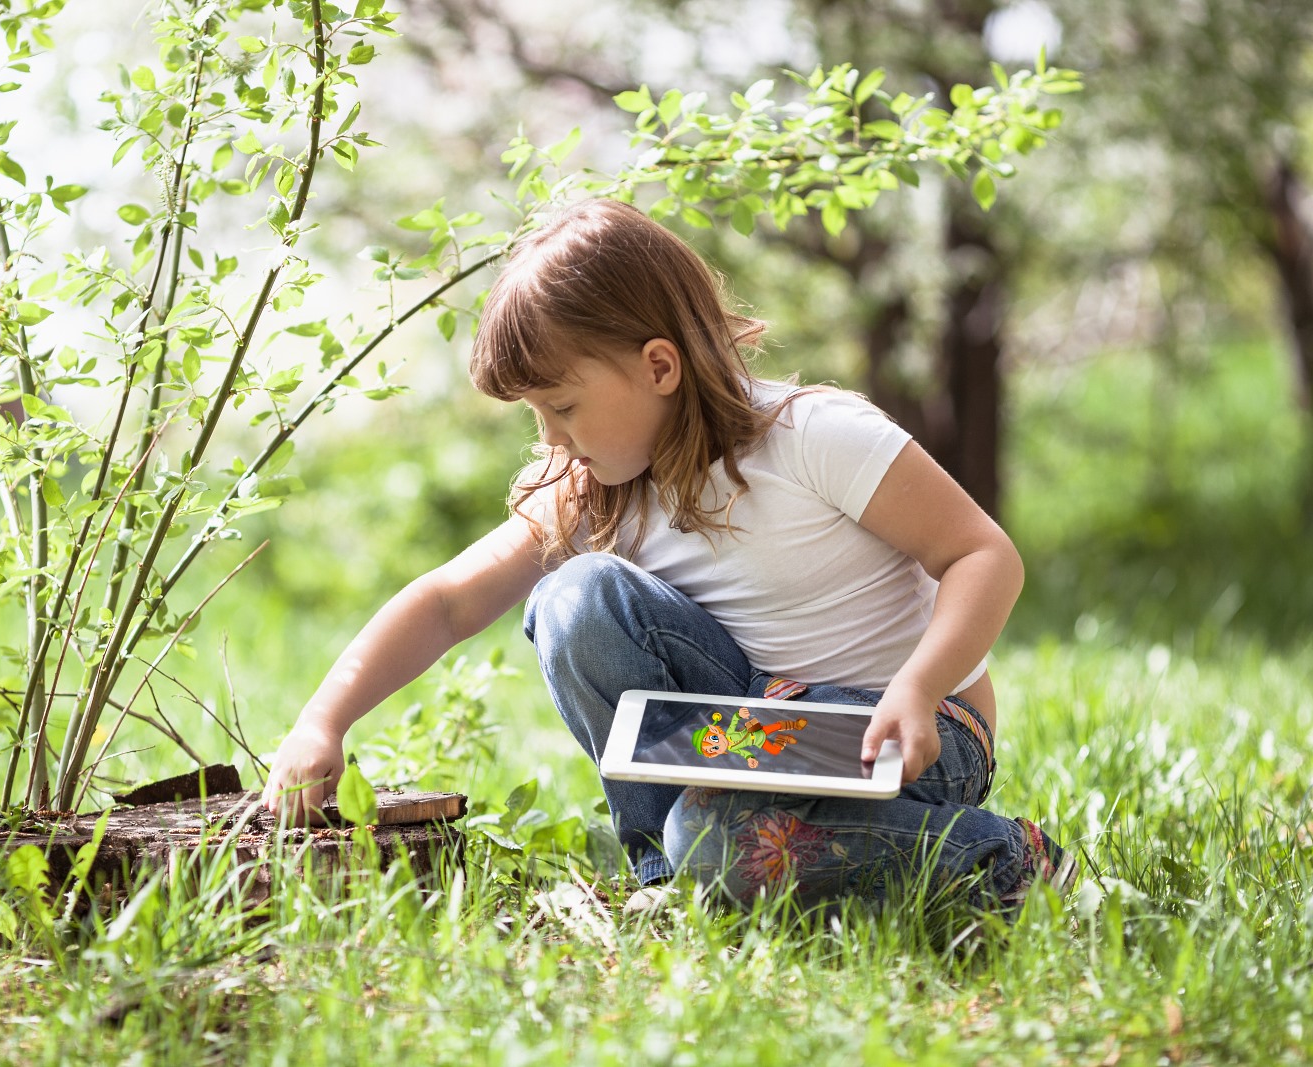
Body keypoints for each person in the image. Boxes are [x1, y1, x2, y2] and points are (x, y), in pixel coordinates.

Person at [265, 198, 1076, 911]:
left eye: (563, 405)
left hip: (905, 731)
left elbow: (982, 553)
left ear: (658, 366)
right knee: (574, 601)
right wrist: (323, 717)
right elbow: (449, 601)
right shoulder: (589, 488)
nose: (549, 437)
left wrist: (919, 684)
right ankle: (670, 876)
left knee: (719, 840)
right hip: (759, 735)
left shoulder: (813, 436)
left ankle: (1005, 859)